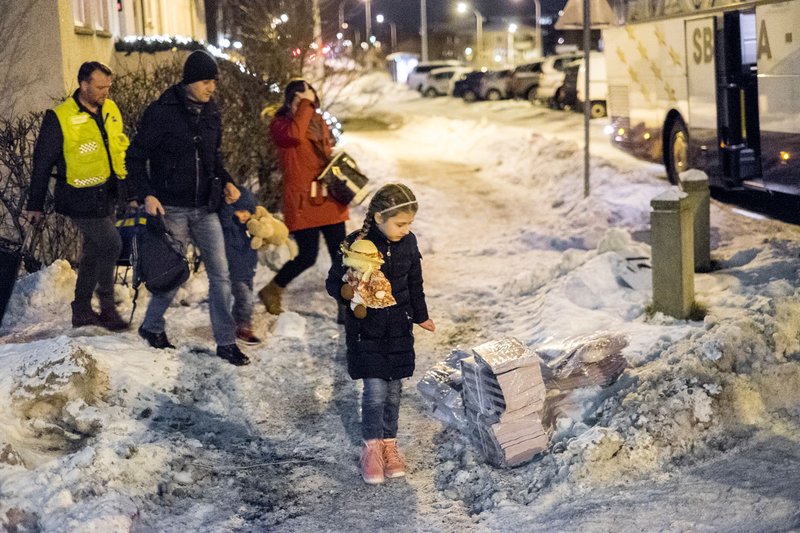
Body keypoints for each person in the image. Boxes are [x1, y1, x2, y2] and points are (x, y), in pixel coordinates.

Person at [126, 49, 250, 366]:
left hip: (205, 208)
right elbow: (135, 157)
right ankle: (151, 326)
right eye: (207, 81)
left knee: (220, 275)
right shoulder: (161, 112)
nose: (212, 88)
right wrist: (146, 194)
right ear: (191, 81)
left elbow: (214, 157)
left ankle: (225, 343)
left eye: (214, 82)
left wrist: (227, 180)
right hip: (172, 207)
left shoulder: (212, 112)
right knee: (173, 274)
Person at [325, 183, 436, 485]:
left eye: (409, 223)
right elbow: (333, 281)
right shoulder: (355, 245)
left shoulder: (408, 243)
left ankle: (389, 445)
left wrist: (421, 316)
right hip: (367, 331)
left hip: (399, 329)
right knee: (375, 393)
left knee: (395, 392)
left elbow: (415, 283)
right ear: (378, 218)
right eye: (400, 223)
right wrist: (345, 292)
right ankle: (371, 448)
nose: (406, 229)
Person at [25, 61, 132, 332]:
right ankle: (106, 308)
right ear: (83, 85)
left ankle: (82, 310)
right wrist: (34, 205)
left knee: (94, 251)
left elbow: (117, 149)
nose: (106, 92)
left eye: (108, 86)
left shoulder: (109, 109)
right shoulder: (59, 117)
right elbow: (42, 164)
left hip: (106, 194)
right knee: (111, 244)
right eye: (99, 87)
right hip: (78, 197)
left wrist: (127, 190)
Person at [260, 79, 348, 317]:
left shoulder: (317, 121)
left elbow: (325, 153)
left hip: (326, 197)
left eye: (311, 101)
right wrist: (306, 107)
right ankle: (273, 289)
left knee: (341, 254)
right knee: (308, 256)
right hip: (301, 201)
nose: (308, 105)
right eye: (301, 100)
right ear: (290, 100)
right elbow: (295, 135)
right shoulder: (281, 125)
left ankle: (344, 304)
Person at [218, 187, 262, 345]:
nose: (244, 215)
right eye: (240, 211)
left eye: (247, 211)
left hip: (247, 272)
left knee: (243, 300)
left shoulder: (250, 230)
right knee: (246, 299)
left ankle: (237, 324)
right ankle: (244, 328)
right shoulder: (229, 228)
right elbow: (224, 217)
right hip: (233, 273)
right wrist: (229, 205)